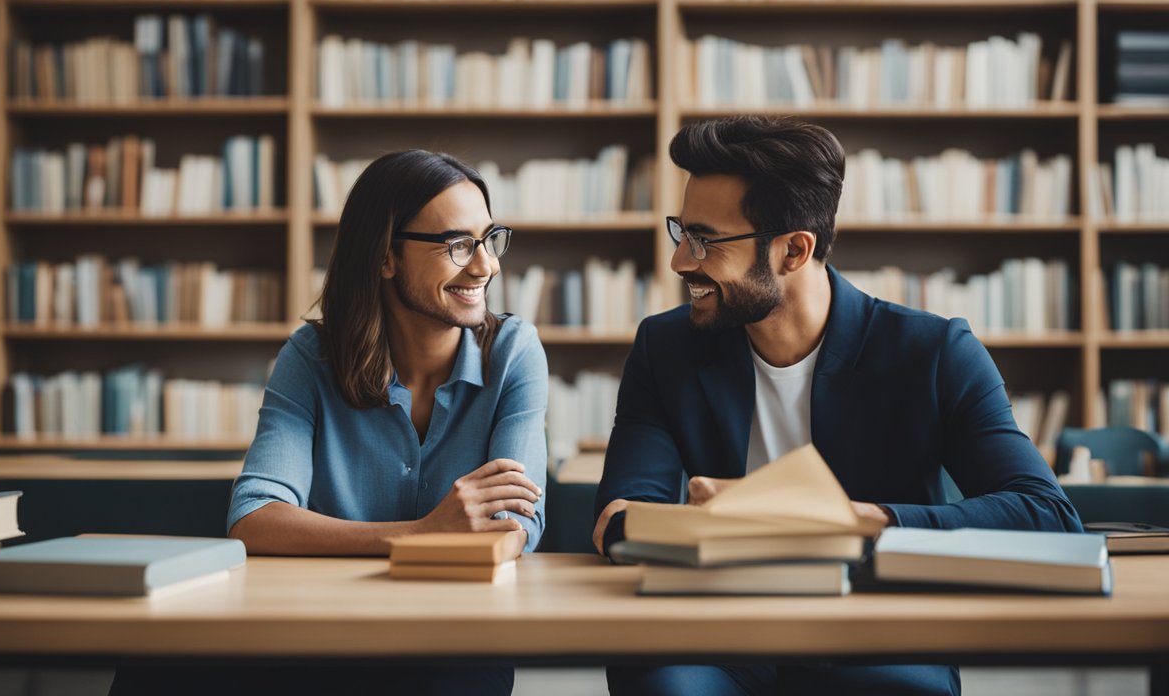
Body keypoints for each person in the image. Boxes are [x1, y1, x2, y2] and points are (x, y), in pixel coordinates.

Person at [591, 116, 1082, 696]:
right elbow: (620, 516)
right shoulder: (665, 346)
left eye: (705, 240)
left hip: (877, 629)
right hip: (714, 634)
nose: (680, 262)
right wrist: (691, 527)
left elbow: (1046, 516)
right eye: (682, 232)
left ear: (794, 250)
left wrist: (856, 522)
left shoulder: (934, 352)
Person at [111, 150, 547, 696]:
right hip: (317, 629)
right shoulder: (311, 355)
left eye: (490, 239)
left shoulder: (513, 351)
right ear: (386, 257)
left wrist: (431, 537)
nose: (486, 266)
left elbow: (514, 526)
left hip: (454, 634)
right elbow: (254, 516)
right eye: (458, 245)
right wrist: (421, 534)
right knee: (151, 666)